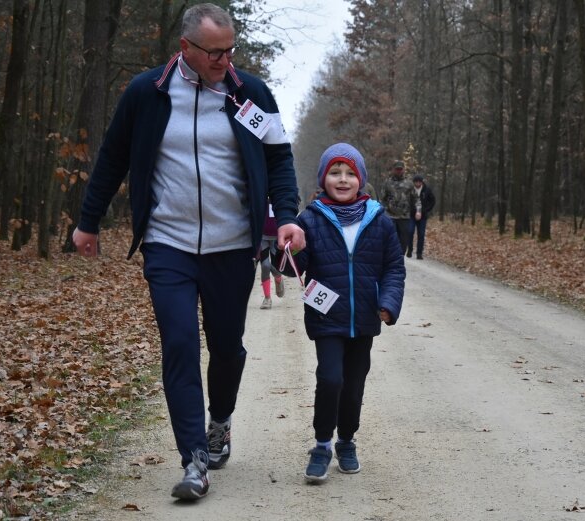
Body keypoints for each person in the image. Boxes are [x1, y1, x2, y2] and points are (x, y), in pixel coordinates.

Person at [71, 3, 304, 501]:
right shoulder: (146, 93)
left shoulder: (250, 92)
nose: (226, 59)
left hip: (231, 246)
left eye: (230, 49)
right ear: (186, 49)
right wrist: (88, 222)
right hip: (167, 243)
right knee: (178, 344)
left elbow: (279, 157)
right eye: (216, 52)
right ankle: (194, 458)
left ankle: (220, 422)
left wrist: (286, 214)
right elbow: (113, 157)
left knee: (226, 347)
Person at [277, 143, 405, 483]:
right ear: (323, 178)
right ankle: (321, 445)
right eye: (335, 172)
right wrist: (288, 249)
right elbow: (292, 269)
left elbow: (393, 267)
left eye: (350, 173)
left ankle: (346, 441)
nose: (343, 179)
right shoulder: (310, 218)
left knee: (353, 386)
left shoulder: (379, 220)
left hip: (364, 319)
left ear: (360, 179)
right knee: (330, 379)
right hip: (327, 318)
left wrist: (389, 303)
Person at [380, 160, 414, 254]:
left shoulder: (409, 183)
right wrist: (382, 212)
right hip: (390, 215)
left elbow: (415, 199)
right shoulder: (387, 183)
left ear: (403, 170)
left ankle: (400, 256)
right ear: (393, 170)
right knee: (391, 237)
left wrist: (418, 211)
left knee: (404, 239)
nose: (399, 171)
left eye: (400, 169)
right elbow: (382, 199)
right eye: (397, 169)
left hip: (404, 216)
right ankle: (391, 256)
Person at [258, 203, 285, 309]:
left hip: (277, 236)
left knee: (275, 266)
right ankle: (267, 298)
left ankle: (278, 278)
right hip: (262, 236)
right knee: (265, 265)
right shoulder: (260, 194)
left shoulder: (279, 195)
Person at [407, 174, 436, 259]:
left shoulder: (427, 190)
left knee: (421, 234)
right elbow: (407, 201)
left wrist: (426, 210)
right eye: (416, 182)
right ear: (414, 182)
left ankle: (419, 253)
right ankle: (409, 250)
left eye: (419, 182)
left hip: (423, 216)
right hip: (412, 215)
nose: (418, 183)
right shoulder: (410, 190)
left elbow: (433, 201)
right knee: (410, 232)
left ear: (422, 182)